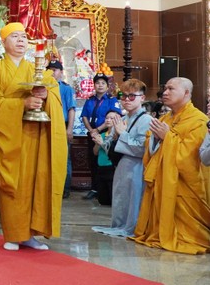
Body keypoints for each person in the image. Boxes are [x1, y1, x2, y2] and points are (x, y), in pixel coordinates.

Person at [0, 22, 67, 251]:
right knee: (13, 185)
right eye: (15, 37)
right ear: (3, 42)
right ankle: (13, 234)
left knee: (34, 183)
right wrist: (22, 104)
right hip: (8, 136)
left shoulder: (35, 69)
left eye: (23, 37)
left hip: (34, 136)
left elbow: (54, 93)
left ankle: (31, 234)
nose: (20, 41)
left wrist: (45, 95)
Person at [132, 77, 210, 254]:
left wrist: (168, 137)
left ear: (186, 93)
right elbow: (151, 145)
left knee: (189, 234)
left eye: (171, 89)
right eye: (165, 88)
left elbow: (191, 158)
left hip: (185, 184)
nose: (165, 93)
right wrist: (156, 139)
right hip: (163, 179)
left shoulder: (198, 120)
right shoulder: (165, 118)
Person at [92, 79, 151, 237]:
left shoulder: (147, 120)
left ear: (142, 98)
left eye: (132, 96)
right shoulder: (122, 119)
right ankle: (120, 225)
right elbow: (110, 145)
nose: (126, 100)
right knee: (121, 198)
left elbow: (142, 149)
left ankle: (134, 227)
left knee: (135, 198)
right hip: (121, 165)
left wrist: (122, 134)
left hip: (137, 166)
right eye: (123, 96)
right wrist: (109, 139)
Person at [80, 73, 121, 200]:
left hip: (106, 133)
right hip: (92, 134)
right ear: (94, 85)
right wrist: (91, 130)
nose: (100, 85)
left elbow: (114, 116)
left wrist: (98, 129)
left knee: (106, 160)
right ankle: (94, 188)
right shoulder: (90, 100)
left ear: (107, 86)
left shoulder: (111, 100)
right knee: (93, 160)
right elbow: (84, 116)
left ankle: (105, 188)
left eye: (103, 83)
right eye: (97, 83)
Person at [47, 60, 75, 198]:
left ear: (61, 72)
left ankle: (64, 188)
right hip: (47, 124)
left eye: (55, 70)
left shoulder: (66, 89)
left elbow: (71, 109)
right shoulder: (45, 86)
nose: (52, 72)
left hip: (62, 125)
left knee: (64, 157)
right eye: (49, 70)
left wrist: (69, 129)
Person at [90, 108, 122, 206]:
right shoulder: (102, 134)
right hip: (101, 167)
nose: (108, 120)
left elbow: (115, 152)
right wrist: (97, 143)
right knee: (103, 200)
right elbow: (95, 152)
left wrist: (102, 143)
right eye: (107, 118)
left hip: (112, 167)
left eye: (112, 118)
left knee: (113, 199)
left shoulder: (118, 135)